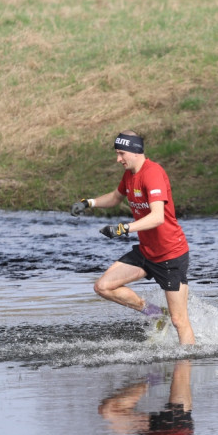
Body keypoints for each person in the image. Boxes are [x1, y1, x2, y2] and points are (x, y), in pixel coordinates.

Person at [71, 130, 196, 345]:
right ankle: (155, 313)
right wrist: (88, 203)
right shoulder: (130, 175)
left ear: (135, 151)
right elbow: (115, 197)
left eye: (121, 154)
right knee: (103, 286)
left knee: (179, 320)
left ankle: (187, 365)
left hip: (170, 254)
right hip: (146, 252)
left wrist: (122, 229)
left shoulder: (153, 173)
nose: (118, 159)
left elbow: (157, 217)